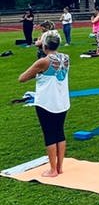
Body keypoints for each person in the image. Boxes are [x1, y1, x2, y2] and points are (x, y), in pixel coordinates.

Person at [18, 30, 70, 177]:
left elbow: (22, 78)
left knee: (49, 134)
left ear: (45, 46)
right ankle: (59, 167)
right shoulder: (66, 58)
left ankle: (53, 170)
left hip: (46, 102)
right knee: (59, 132)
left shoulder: (43, 62)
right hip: (62, 101)